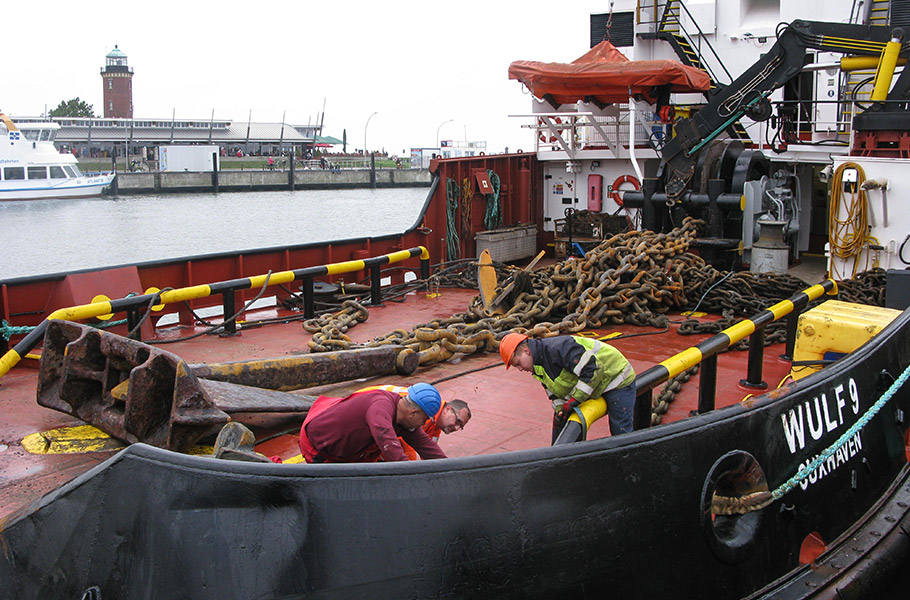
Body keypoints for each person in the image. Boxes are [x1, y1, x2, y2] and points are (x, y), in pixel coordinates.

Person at [499, 332, 635, 443]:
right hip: (597, 385)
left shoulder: (558, 349)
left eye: (517, 363)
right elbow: (555, 393)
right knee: (563, 426)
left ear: (526, 350)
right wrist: (560, 412)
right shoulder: (538, 367)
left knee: (620, 432)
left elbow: (593, 370)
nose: (520, 369)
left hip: (615, 378)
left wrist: (574, 400)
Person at [298, 382, 448, 463]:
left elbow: (427, 447)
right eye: (423, 420)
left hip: (350, 452)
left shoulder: (402, 417)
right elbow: (388, 443)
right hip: (319, 449)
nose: (422, 425)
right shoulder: (381, 408)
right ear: (413, 413)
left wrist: (451, 470)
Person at [357, 384, 471, 459]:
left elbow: (427, 448)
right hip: (365, 406)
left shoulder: (436, 424)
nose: (456, 428)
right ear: (448, 409)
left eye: (460, 427)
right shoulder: (422, 413)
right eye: (458, 421)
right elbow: (403, 445)